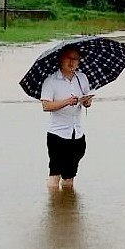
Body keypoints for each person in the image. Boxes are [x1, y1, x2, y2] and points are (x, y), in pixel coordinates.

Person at [40, 47, 93, 190]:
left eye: (75, 59)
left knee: (69, 179)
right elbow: (46, 106)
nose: (71, 62)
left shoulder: (82, 78)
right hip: (57, 135)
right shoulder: (50, 81)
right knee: (54, 177)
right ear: (60, 59)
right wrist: (67, 101)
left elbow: (87, 100)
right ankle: (53, 209)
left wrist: (87, 102)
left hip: (77, 134)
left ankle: (68, 209)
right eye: (68, 58)